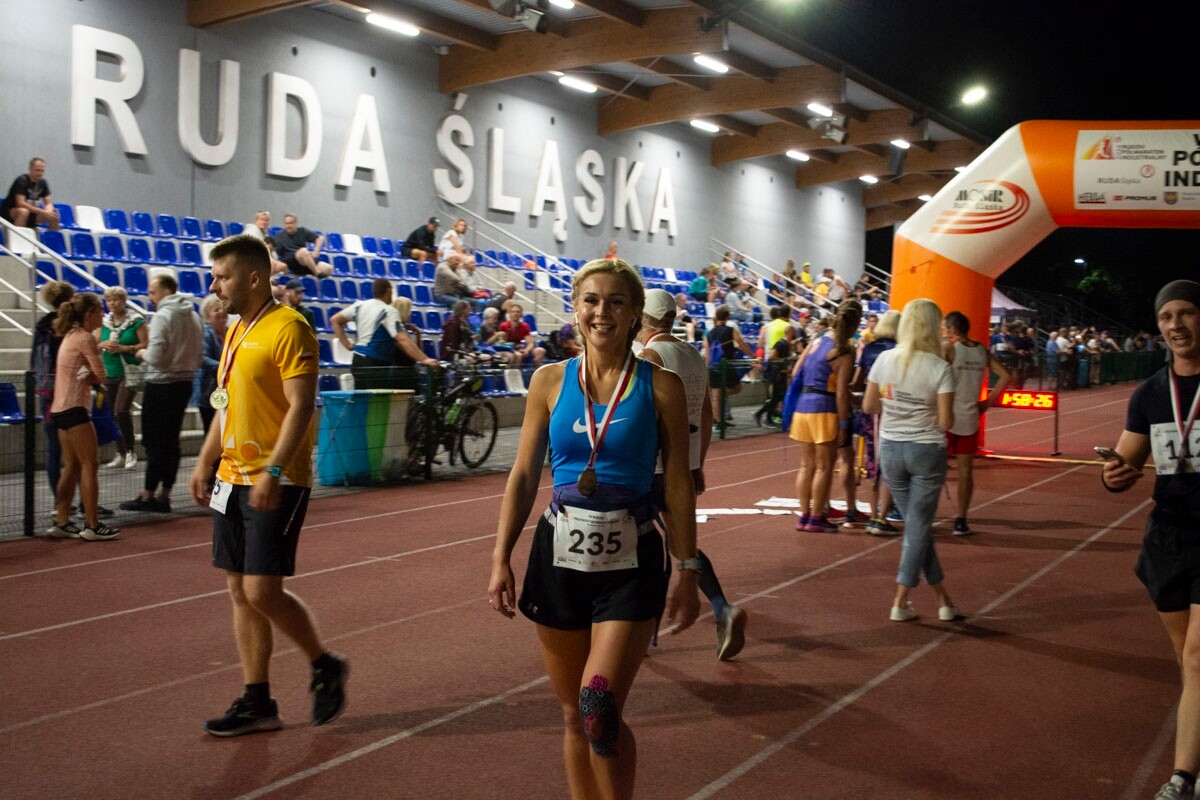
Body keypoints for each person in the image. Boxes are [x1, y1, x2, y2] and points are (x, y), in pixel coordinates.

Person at [487, 258, 700, 800]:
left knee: (598, 706)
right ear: (576, 309)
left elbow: (677, 484)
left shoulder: (662, 387)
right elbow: (523, 475)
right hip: (558, 555)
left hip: (630, 560)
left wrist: (688, 568)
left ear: (634, 315)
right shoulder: (548, 381)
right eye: (591, 300)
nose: (602, 312)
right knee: (570, 715)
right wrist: (499, 557)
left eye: (616, 302)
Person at [186, 234, 347, 738]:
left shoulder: (290, 328)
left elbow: (301, 406)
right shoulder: (236, 329)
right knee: (238, 590)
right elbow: (226, 404)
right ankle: (258, 701)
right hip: (232, 477)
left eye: (223, 276)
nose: (214, 286)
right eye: (214, 276)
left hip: (276, 479)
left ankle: (324, 663)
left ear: (254, 277)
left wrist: (274, 470)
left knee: (260, 590)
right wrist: (204, 459)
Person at [1101, 280, 1200, 800]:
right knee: (1186, 659)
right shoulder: (1150, 393)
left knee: (1198, 658)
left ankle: (1182, 777)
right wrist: (1113, 476)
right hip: (1169, 535)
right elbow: (1126, 461)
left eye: (1186, 314)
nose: (1176, 325)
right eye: (1167, 317)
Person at [637, 289, 747, 660]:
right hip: (682, 465)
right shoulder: (692, 356)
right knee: (681, 545)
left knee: (642, 547)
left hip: (648, 466)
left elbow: (641, 418)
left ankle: (644, 630)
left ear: (643, 319)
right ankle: (721, 608)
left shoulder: (648, 356)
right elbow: (706, 415)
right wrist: (697, 464)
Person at [863, 298, 958, 623]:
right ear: (934, 327)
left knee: (917, 529)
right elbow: (946, 422)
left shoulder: (885, 360)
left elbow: (869, 406)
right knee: (917, 527)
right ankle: (900, 600)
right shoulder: (940, 367)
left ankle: (944, 599)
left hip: (891, 450)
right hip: (926, 451)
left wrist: (897, 404)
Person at [120, 273, 203, 514]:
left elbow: (155, 357)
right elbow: (198, 354)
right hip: (184, 383)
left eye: (152, 292)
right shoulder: (194, 316)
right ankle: (164, 495)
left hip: (161, 385)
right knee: (171, 442)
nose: (149, 296)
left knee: (155, 443)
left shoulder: (163, 316)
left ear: (166, 291)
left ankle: (147, 496)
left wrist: (140, 354)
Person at [45, 293, 120, 541]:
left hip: (59, 410)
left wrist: (86, 371)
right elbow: (101, 374)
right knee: (90, 464)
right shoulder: (86, 337)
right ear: (89, 314)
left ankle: (61, 520)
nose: (103, 315)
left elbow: (81, 369)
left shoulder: (70, 335)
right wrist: (91, 372)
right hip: (76, 409)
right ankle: (91, 524)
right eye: (100, 311)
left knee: (72, 466)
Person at [782, 300, 857, 533]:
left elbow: (796, 371)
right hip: (825, 408)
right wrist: (844, 423)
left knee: (806, 466)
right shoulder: (844, 351)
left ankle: (804, 516)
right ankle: (816, 518)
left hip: (803, 406)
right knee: (825, 467)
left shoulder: (817, 340)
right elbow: (843, 393)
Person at [941, 310, 1012, 535]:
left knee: (932, 469)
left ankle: (924, 513)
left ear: (953, 329)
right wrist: (988, 402)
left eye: (944, 328)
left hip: (946, 416)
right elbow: (1005, 376)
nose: (942, 332)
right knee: (965, 471)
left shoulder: (949, 349)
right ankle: (961, 519)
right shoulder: (981, 350)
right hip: (970, 415)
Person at [332, 277, 436, 390]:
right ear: (388, 291)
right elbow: (402, 339)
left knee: (361, 401)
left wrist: (347, 344)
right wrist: (424, 359)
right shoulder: (388, 311)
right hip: (375, 363)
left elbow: (335, 320)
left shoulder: (359, 305)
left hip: (357, 360)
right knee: (377, 403)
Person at [854, 310, 901, 536]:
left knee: (872, 463)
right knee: (890, 464)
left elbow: (858, 380)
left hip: (870, 411)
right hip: (893, 410)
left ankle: (874, 515)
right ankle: (883, 516)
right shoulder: (899, 352)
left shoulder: (869, 348)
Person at [96, 286, 147, 470]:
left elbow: (145, 343)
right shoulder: (104, 322)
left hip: (129, 372)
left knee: (121, 411)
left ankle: (131, 451)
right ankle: (120, 452)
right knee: (112, 414)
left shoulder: (136, 321)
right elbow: (95, 344)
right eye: (109, 300)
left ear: (124, 301)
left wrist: (125, 349)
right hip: (110, 372)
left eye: (116, 299)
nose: (112, 303)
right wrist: (104, 344)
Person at [703, 305, 753, 427]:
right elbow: (742, 344)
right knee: (737, 388)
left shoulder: (709, 333)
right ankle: (718, 421)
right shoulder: (731, 330)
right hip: (727, 365)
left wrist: (708, 367)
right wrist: (752, 355)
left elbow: (707, 351)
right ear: (727, 317)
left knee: (716, 395)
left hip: (713, 366)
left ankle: (718, 420)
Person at [195, 295, 229, 435]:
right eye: (216, 309)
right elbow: (202, 358)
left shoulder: (231, 332)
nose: (221, 312)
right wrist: (226, 368)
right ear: (207, 315)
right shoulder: (205, 333)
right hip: (210, 390)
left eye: (223, 308)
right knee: (212, 432)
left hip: (228, 389)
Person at [1, 157, 60, 230]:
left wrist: (48, 211)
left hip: (31, 213)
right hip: (11, 212)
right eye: (37, 170)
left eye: (42, 171)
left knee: (54, 214)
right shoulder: (22, 180)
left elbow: (48, 202)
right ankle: (17, 239)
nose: (40, 173)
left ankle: (52, 239)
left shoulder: (43, 183)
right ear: (30, 169)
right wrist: (43, 212)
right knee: (23, 212)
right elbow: (20, 203)